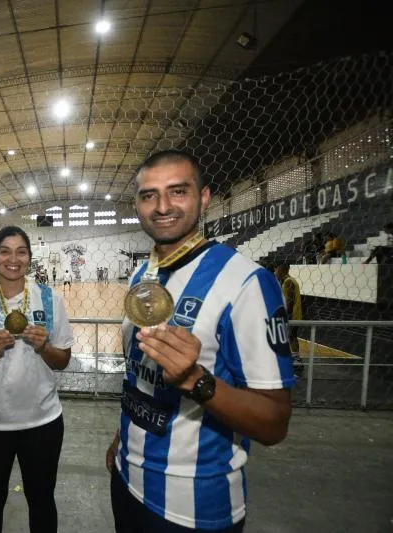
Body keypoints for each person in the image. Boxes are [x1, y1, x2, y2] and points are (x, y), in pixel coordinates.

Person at [105, 150, 295, 533]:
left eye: (178, 191)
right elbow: (140, 378)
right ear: (138, 205)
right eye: (149, 195)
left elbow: (274, 423)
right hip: (126, 480)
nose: (162, 207)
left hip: (193, 508)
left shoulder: (246, 283)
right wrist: (123, 439)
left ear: (204, 197)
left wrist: (194, 378)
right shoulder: (143, 275)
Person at [0, 225, 73, 533]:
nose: (13, 259)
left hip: (42, 422)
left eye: (21, 251)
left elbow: (63, 361)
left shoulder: (49, 299)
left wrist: (44, 346)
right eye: (5, 251)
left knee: (42, 499)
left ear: (29, 258)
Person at [275, 263, 302, 355]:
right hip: (295, 314)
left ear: (281, 271)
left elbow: (289, 302)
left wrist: (285, 316)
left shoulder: (288, 282)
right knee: (292, 336)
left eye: (276, 270)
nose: (275, 273)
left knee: (291, 336)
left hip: (292, 315)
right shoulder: (290, 280)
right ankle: (296, 357)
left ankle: (296, 358)